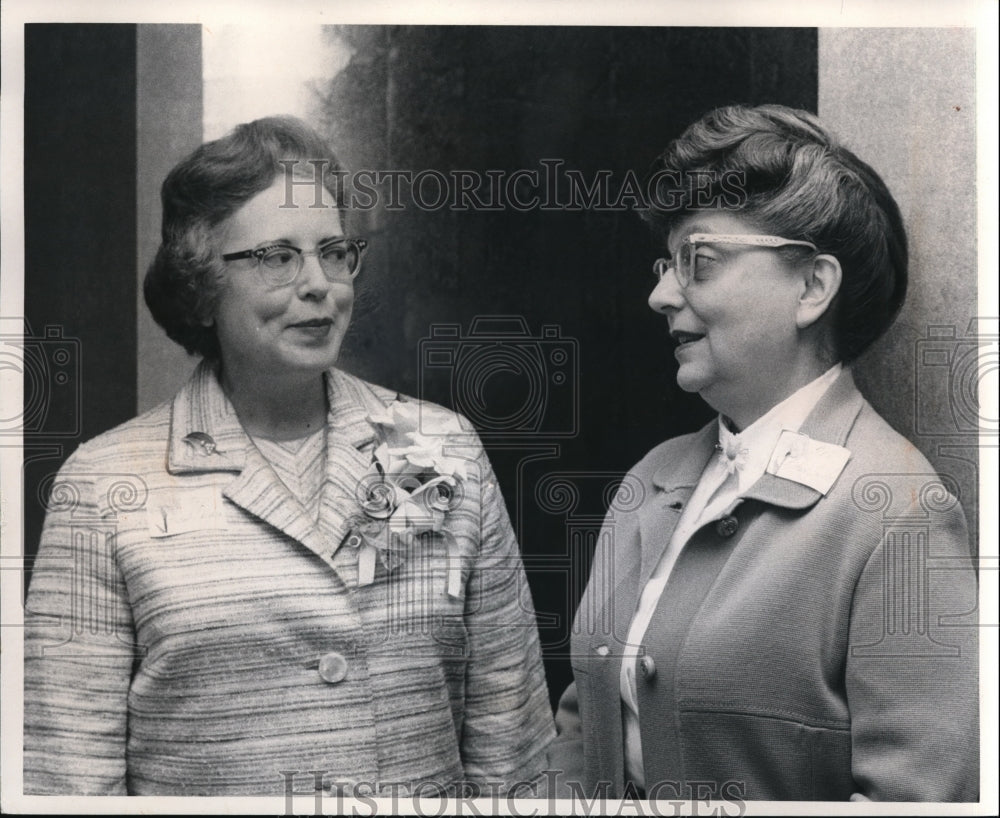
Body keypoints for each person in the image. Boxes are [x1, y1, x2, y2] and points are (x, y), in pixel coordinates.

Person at [23, 116, 554, 796]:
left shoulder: (435, 450)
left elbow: (512, 744)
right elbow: (68, 778)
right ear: (200, 279)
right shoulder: (105, 485)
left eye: (334, 252)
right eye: (277, 257)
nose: (319, 284)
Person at [549, 104, 978, 802]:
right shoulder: (651, 479)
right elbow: (583, 722)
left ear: (811, 288)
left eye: (700, 261)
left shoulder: (900, 513)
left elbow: (919, 801)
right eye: (668, 263)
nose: (660, 295)